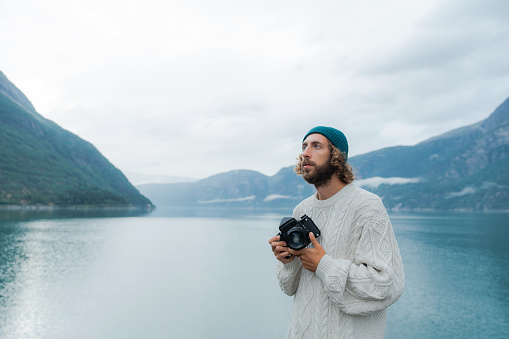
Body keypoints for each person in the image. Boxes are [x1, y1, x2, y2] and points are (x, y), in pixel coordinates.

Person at [268, 126, 405, 339]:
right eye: (304, 146)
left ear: (336, 157)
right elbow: (288, 287)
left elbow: (385, 285)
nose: (305, 153)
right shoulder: (302, 210)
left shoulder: (367, 206)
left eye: (316, 146)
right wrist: (287, 260)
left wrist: (323, 264)